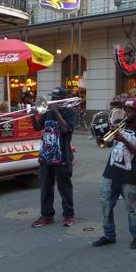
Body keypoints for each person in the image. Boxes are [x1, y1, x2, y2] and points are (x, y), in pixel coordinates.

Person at [92, 98, 136, 250]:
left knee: (132, 209)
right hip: (110, 173)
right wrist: (110, 133)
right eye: (126, 110)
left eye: (130, 111)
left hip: (128, 176)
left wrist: (124, 140)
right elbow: (109, 144)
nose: (127, 113)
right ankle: (109, 235)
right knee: (105, 206)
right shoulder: (119, 123)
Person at [30, 87, 78, 228]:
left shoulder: (70, 112)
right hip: (46, 155)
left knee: (65, 188)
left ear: (62, 98)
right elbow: (38, 127)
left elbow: (65, 129)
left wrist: (56, 111)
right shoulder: (48, 112)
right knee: (45, 187)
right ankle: (46, 215)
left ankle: (69, 215)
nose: (52, 100)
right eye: (52, 97)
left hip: (62, 155)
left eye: (55, 98)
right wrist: (33, 116)